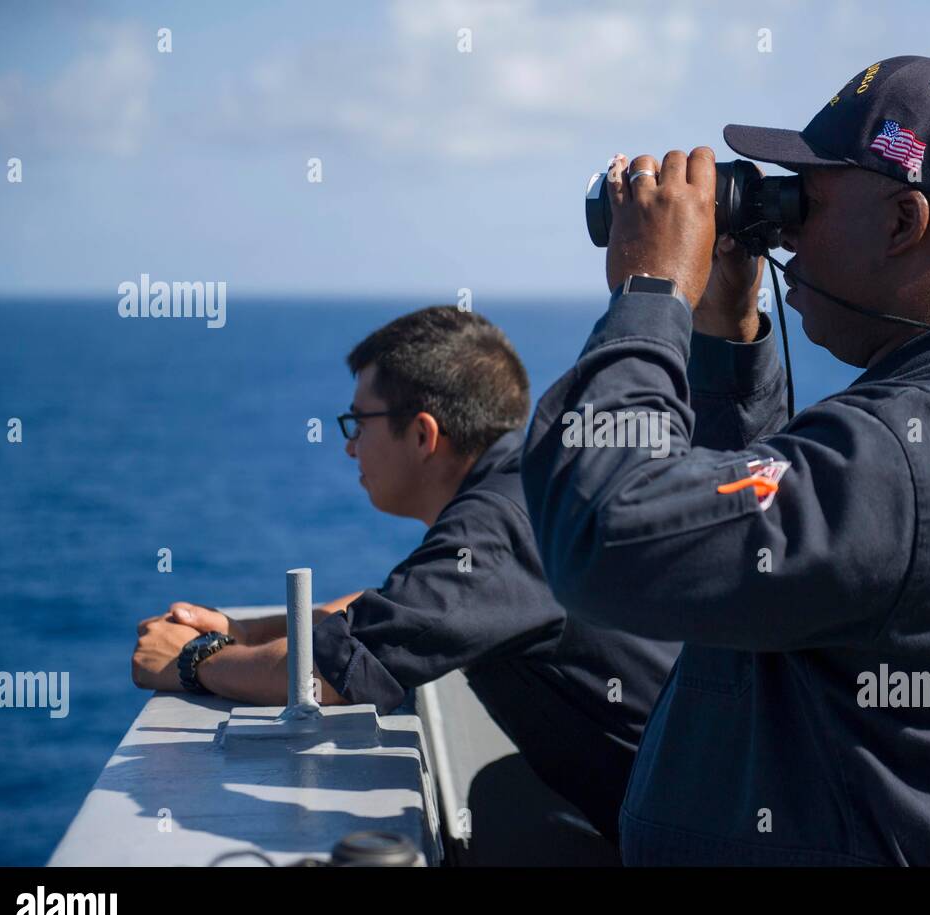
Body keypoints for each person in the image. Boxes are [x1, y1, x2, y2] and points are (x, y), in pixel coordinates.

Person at [521, 56, 930, 865]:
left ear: (904, 221)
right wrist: (722, 345)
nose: (785, 233)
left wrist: (651, 293)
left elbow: (606, 541)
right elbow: (752, 554)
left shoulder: (917, 451)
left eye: (809, 197)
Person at [131, 305, 681, 846]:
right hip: (686, 793)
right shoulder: (528, 489)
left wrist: (193, 662)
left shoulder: (497, 529)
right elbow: (400, 607)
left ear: (422, 434)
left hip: (689, 833)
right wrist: (244, 631)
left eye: (357, 423)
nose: (349, 446)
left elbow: (336, 671)